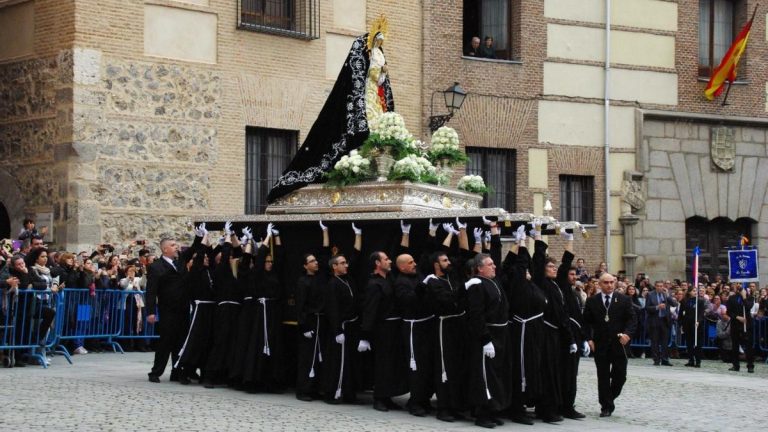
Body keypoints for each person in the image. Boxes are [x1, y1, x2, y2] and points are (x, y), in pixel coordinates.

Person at [465, 251, 510, 428]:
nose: (494, 266)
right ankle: (482, 414)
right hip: (487, 336)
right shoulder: (477, 285)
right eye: (490, 264)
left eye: (493, 263)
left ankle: (492, 410)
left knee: (496, 376)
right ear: (479, 269)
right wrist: (485, 339)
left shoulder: (493, 282)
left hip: (500, 334)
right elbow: (476, 315)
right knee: (484, 376)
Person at [583, 273, 636, 418]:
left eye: (612, 282)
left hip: (619, 344)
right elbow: (586, 322)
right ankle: (605, 406)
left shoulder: (624, 300)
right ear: (600, 284)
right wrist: (589, 339)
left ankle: (610, 398)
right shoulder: (592, 301)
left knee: (620, 376)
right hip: (600, 344)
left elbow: (632, 319)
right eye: (606, 282)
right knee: (603, 376)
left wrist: (627, 334)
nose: (609, 285)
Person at [359, 250, 407, 412]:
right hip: (382, 330)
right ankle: (379, 398)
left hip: (395, 328)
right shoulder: (374, 284)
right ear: (377, 263)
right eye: (386, 259)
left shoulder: (390, 279)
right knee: (383, 364)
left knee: (393, 364)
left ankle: (388, 396)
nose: (390, 261)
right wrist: (365, 335)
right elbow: (370, 310)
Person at [322, 224, 362, 404]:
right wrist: (338, 330)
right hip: (341, 329)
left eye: (346, 263)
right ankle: (333, 393)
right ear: (334, 267)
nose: (346, 265)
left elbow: (357, 257)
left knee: (351, 362)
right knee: (338, 362)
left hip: (352, 326)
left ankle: (349, 392)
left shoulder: (349, 279)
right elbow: (332, 309)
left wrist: (358, 235)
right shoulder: (332, 284)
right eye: (343, 263)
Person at [146, 235, 194, 384]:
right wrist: (151, 312)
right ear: (165, 249)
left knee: (181, 342)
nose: (176, 247)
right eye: (173, 245)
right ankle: (156, 372)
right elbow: (151, 291)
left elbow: (192, 250)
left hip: (183, 309)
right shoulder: (156, 266)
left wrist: (200, 236)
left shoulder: (180, 263)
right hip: (167, 311)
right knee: (165, 342)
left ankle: (177, 371)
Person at [294, 221, 330, 401]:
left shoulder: (320, 277)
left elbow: (325, 255)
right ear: (304, 265)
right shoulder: (302, 282)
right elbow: (300, 306)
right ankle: (303, 390)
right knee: (307, 357)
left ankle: (316, 388)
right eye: (312, 261)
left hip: (320, 321)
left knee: (319, 357)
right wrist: (304, 327)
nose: (316, 263)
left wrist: (325, 232)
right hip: (309, 324)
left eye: (315, 261)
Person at [645, 280, 677, 366]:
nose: (660, 287)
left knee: (665, 341)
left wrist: (668, 296)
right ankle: (656, 359)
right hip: (654, 320)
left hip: (664, 320)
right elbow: (647, 308)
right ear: (655, 286)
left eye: (661, 286)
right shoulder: (650, 294)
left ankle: (665, 359)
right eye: (658, 286)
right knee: (654, 341)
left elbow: (674, 304)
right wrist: (657, 307)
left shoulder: (665, 294)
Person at [726, 285, 755, 373]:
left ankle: (750, 366)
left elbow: (748, 307)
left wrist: (744, 297)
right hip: (736, 324)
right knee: (735, 345)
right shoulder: (732, 298)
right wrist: (737, 317)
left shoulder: (750, 298)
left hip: (747, 325)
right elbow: (729, 312)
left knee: (749, 346)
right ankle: (735, 365)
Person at [680, 287, 707, 368]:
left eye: (696, 291)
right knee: (689, 343)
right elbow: (681, 313)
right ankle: (691, 360)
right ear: (689, 292)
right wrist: (681, 324)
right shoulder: (684, 301)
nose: (695, 292)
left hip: (697, 325)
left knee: (698, 343)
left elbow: (701, 313)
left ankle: (698, 361)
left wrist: (698, 321)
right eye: (693, 290)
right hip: (687, 324)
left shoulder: (700, 301)